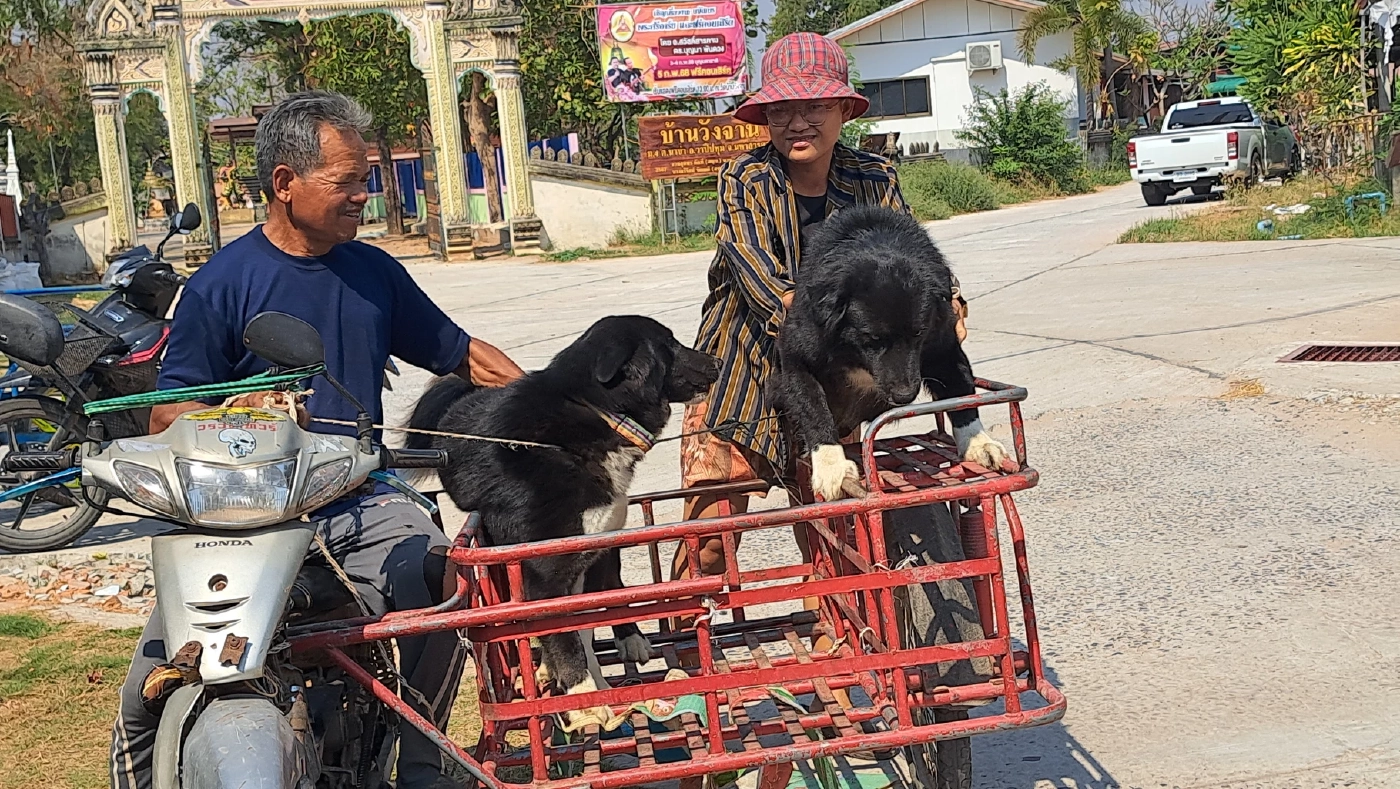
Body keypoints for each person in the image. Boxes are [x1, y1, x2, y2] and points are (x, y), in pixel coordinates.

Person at [110, 91, 524, 789]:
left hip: (361, 499)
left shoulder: (374, 272)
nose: (364, 195)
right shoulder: (220, 284)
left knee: (445, 574)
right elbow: (163, 414)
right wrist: (239, 410)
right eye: (347, 181)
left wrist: (552, 406)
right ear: (285, 182)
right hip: (241, 516)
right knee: (143, 694)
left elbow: (463, 354)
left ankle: (419, 758)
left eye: (366, 179)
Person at [674, 33, 969, 579]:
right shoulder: (745, 178)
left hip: (831, 374)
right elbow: (754, 270)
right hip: (742, 364)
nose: (798, 123)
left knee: (833, 529)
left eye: (814, 107)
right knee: (712, 534)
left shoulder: (874, 178)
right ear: (766, 118)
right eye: (781, 110)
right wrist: (801, 311)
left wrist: (948, 304)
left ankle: (830, 624)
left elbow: (910, 255)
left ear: (843, 110)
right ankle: (687, 626)